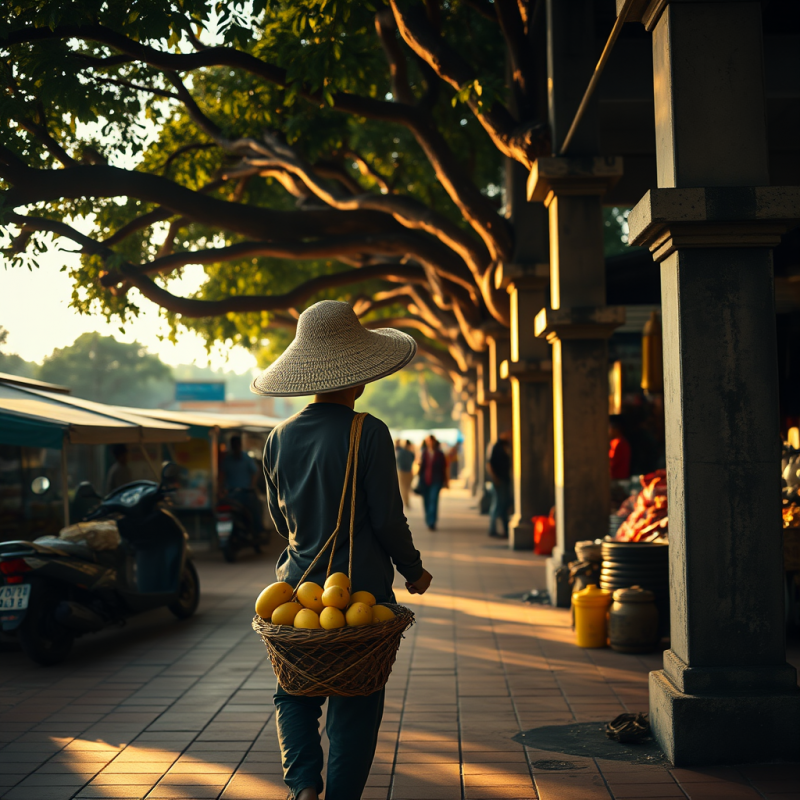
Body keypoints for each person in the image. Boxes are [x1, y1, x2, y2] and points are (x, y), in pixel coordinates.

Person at [252, 300, 432, 800]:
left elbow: (280, 521)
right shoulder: (368, 431)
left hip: (291, 594)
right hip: (361, 595)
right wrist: (413, 570)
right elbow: (387, 519)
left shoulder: (277, 438)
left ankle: (304, 787)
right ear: (358, 377)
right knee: (356, 702)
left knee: (293, 693)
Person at [221, 435, 264, 538]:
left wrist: (251, 486)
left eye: (237, 445)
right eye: (233, 446)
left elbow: (255, 472)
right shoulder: (227, 460)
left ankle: (257, 531)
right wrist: (220, 490)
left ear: (240, 445)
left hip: (246, 492)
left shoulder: (246, 458)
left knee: (255, 508)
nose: (235, 448)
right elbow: (222, 476)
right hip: (231, 494)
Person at [417, 435, 448, 531]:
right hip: (425, 480)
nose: (429, 443)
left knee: (433, 500)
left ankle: (432, 522)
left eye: (431, 441)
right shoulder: (424, 453)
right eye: (428, 441)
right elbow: (421, 467)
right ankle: (428, 519)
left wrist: (446, 481)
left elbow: (444, 468)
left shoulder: (439, 454)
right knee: (426, 501)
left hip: (436, 480)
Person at [486, 431, 512, 538]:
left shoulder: (505, 447)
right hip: (499, 480)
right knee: (498, 505)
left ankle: (505, 529)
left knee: (504, 504)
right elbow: (489, 464)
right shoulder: (496, 447)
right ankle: (492, 529)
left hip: (504, 479)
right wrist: (495, 478)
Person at [609, 415, 632, 480]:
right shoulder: (613, 442)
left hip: (619, 479)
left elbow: (613, 463)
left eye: (610, 428)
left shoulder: (621, 444)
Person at [395, 439, 415, 508]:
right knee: (406, 487)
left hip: (403, 471)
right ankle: (406, 502)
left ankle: (406, 501)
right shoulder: (410, 453)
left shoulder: (402, 452)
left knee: (404, 488)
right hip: (407, 471)